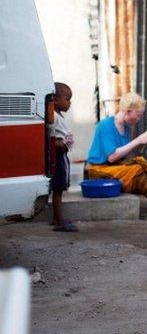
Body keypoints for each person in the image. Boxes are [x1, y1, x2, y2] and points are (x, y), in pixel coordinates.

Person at [86, 93, 147, 223]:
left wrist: (140, 143)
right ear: (128, 111)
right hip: (98, 170)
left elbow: (120, 156)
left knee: (141, 162)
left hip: (113, 167)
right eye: (138, 115)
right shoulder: (106, 125)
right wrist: (138, 140)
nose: (139, 119)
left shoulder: (125, 127)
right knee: (135, 170)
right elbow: (112, 157)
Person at [50, 82, 78, 232]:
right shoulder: (53, 116)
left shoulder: (58, 115)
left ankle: (56, 217)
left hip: (62, 155)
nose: (69, 103)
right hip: (58, 156)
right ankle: (59, 220)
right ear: (55, 99)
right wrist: (60, 144)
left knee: (59, 189)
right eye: (67, 99)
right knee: (58, 189)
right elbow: (49, 137)